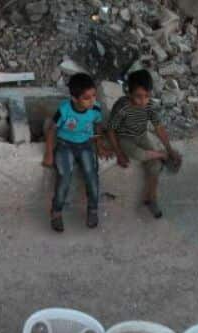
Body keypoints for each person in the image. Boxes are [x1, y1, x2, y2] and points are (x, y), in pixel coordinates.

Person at [105, 69, 181, 218]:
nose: (143, 101)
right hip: (124, 138)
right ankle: (161, 155)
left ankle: (151, 198)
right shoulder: (122, 106)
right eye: (138, 96)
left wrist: (170, 148)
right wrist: (119, 153)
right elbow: (111, 130)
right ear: (129, 92)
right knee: (138, 154)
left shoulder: (149, 106)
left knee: (156, 166)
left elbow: (158, 128)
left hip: (141, 136)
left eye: (147, 96)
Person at [43, 72, 106, 232]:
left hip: (85, 144)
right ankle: (56, 212)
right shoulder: (64, 110)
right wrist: (49, 153)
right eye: (87, 98)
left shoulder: (95, 108)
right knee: (65, 176)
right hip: (65, 145)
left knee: (91, 174)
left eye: (94, 96)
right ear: (74, 98)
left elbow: (98, 125)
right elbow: (51, 130)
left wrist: (99, 144)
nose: (92, 100)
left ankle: (92, 209)